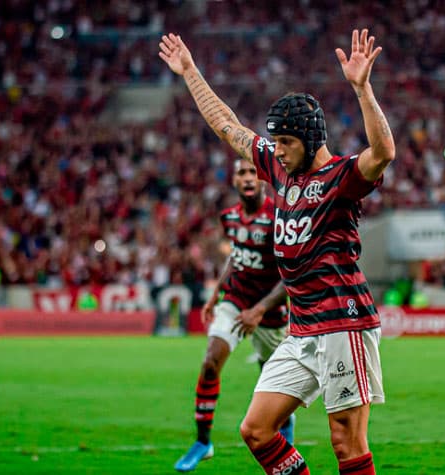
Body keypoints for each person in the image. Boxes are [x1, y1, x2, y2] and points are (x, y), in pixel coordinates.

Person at [159, 28, 394, 475]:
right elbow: (229, 127)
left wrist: (362, 89)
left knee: (347, 443)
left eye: (286, 143)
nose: (277, 151)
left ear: (309, 138)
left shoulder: (342, 177)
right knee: (256, 429)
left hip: (343, 322)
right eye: (276, 143)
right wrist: (190, 72)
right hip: (302, 330)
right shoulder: (281, 170)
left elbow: (383, 151)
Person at [174, 159, 292, 472]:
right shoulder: (229, 218)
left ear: (264, 179)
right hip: (235, 300)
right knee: (211, 361)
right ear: (234, 181)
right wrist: (216, 295)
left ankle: (286, 433)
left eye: (254, 172)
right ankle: (202, 442)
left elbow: (289, 273)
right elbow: (237, 258)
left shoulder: (278, 218)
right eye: (242, 172)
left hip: (269, 308)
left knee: (275, 381)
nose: (248, 177)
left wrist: (261, 308)